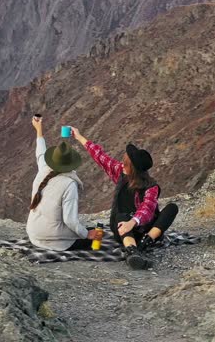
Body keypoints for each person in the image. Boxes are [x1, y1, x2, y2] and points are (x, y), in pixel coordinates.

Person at [69, 127, 178, 270]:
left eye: (125, 163)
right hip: (123, 229)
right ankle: (132, 251)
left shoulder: (151, 186)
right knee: (121, 217)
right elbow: (100, 157)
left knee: (172, 208)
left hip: (142, 226)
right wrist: (79, 137)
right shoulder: (120, 173)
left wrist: (134, 221)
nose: (122, 164)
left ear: (133, 169)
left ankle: (146, 242)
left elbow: (148, 209)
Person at [26, 115, 104, 251]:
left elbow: (40, 154)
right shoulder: (69, 185)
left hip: (33, 233)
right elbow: (70, 220)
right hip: (50, 240)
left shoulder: (44, 170)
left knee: (82, 229)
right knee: (92, 234)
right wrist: (87, 234)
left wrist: (39, 129)